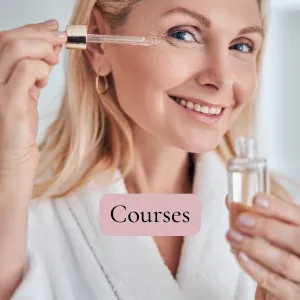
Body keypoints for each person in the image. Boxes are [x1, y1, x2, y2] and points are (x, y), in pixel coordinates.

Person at [1, 0, 300, 299]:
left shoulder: (285, 227)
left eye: (242, 45)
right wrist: (10, 168)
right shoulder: (21, 214)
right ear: (97, 43)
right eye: (184, 34)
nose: (223, 79)